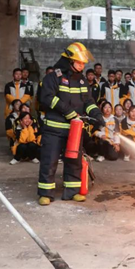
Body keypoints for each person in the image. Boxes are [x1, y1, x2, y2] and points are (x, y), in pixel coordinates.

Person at [37, 42, 105, 206]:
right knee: (49, 160)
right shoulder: (53, 77)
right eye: (79, 62)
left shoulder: (82, 81)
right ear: (69, 60)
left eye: (83, 62)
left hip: (74, 129)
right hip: (54, 128)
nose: (82, 65)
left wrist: (97, 114)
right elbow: (47, 98)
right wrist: (68, 111)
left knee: (74, 161)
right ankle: (46, 193)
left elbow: (88, 101)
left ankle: (72, 191)